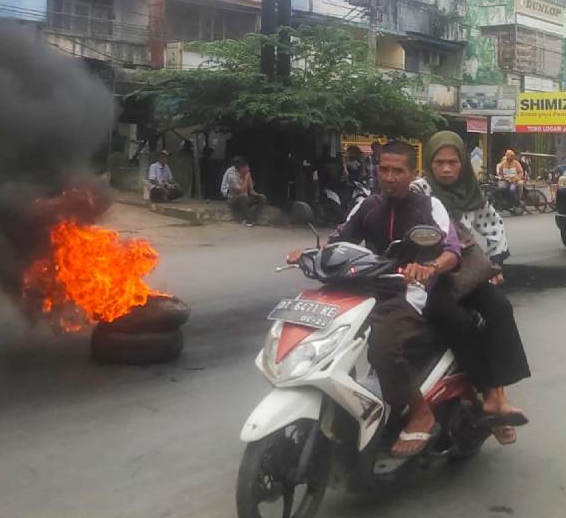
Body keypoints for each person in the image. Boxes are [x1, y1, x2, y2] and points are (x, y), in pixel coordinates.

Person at [289, 140, 462, 458]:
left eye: (399, 171)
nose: (391, 177)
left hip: (406, 290)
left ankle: (419, 410)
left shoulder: (428, 206)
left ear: (412, 173)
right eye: (385, 169)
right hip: (365, 287)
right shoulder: (368, 205)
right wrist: (309, 254)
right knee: (321, 328)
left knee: (382, 347)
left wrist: (428, 267)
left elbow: (451, 250)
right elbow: (339, 241)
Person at [413, 131, 531, 445]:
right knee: (460, 323)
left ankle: (498, 402)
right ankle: (494, 399)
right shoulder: (419, 190)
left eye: (453, 162)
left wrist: (495, 265)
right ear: (429, 163)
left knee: (499, 309)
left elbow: (493, 225)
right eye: (439, 162)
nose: (446, 169)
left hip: (463, 270)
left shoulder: (472, 191)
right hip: (428, 273)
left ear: (463, 164)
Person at [221, 157, 265, 226]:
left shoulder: (246, 173)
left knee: (262, 197)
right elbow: (240, 191)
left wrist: (255, 194)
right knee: (243, 199)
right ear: (241, 169)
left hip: (244, 198)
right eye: (246, 168)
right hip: (233, 199)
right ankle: (248, 220)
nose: (248, 169)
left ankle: (254, 219)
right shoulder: (231, 176)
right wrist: (247, 178)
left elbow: (251, 190)